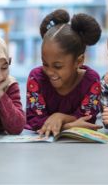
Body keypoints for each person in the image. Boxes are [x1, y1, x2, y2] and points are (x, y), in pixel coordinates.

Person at [26, 9, 102, 137]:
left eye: (58, 66)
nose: (49, 72)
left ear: (79, 61)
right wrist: (69, 126)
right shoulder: (36, 78)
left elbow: (87, 119)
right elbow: (35, 120)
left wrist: (59, 117)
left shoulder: (92, 81)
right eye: (45, 64)